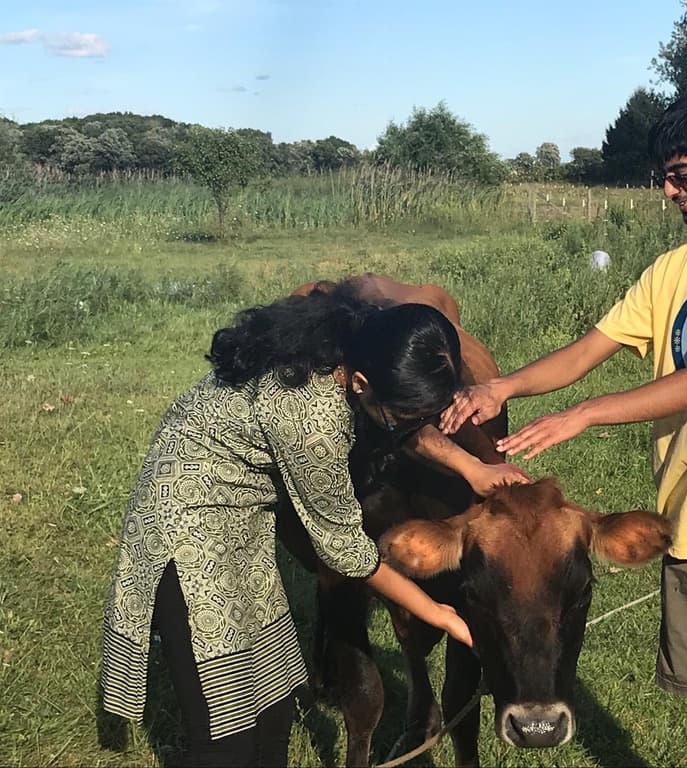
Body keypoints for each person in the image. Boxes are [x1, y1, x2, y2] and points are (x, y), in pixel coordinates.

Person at [441, 88, 687, 768]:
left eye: (681, 173)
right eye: (665, 175)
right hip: (686, 523)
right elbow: (591, 348)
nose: (668, 189)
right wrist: (501, 385)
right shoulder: (676, 267)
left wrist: (584, 414)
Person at [100, 283, 496, 767]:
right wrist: (437, 614)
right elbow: (346, 551)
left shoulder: (358, 343)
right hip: (186, 527)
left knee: (272, 706)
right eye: (403, 415)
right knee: (225, 738)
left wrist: (474, 468)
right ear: (361, 387)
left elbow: (397, 426)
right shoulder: (312, 424)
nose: (408, 428)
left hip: (242, 515)